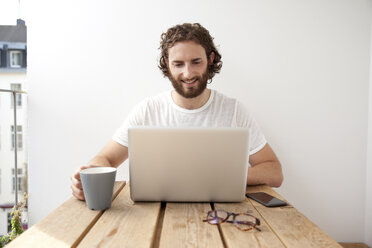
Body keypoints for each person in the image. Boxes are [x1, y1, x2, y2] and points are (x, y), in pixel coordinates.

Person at [70, 23, 283, 200]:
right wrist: (85, 176)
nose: (188, 73)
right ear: (166, 64)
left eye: (196, 62)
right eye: (178, 64)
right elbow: (104, 159)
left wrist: (226, 177)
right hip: (154, 215)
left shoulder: (234, 110)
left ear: (210, 59)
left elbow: (274, 172)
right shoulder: (148, 110)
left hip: (222, 216)